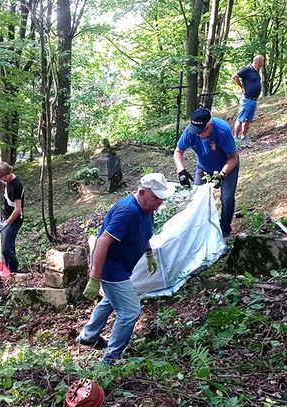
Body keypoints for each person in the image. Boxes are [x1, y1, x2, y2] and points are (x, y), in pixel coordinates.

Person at [77, 173, 172, 365]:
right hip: (111, 268)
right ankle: (111, 358)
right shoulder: (127, 211)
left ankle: (88, 335)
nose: (159, 202)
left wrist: (149, 253)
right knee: (130, 311)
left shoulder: (147, 208)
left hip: (123, 266)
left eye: (162, 198)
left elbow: (144, 233)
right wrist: (95, 277)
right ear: (142, 192)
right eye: (156, 198)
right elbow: (102, 241)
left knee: (111, 300)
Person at [173, 107, 239, 238]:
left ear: (209, 125)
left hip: (227, 166)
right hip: (203, 168)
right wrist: (181, 171)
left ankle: (225, 231)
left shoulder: (222, 131)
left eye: (201, 131)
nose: (198, 134)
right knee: (197, 198)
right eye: (195, 131)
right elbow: (178, 152)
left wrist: (222, 175)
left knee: (227, 198)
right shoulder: (190, 132)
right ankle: (202, 228)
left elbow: (233, 157)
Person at [0, 161, 25, 273]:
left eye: (3, 176)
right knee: (8, 247)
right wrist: (2, 182)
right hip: (7, 218)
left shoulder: (17, 186)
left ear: (8, 173)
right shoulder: (9, 181)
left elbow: (17, 210)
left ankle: (14, 271)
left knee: (6, 249)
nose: (2, 178)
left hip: (14, 221)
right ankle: (9, 269)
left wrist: (6, 223)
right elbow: (8, 185)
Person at [232, 54, 264, 139]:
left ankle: (243, 136)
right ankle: (235, 137)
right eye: (262, 62)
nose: (263, 64)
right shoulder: (247, 69)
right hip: (247, 99)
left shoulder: (256, 71)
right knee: (241, 118)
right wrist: (242, 87)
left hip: (254, 100)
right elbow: (235, 76)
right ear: (258, 61)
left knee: (248, 119)